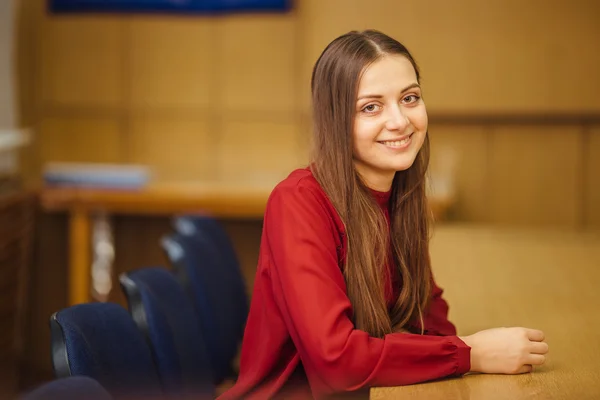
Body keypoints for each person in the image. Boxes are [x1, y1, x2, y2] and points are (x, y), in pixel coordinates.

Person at [218, 29, 549, 400]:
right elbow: (337, 361)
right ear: (334, 119)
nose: (400, 121)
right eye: (370, 107)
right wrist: (471, 352)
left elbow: (429, 320)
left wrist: (461, 350)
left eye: (410, 98)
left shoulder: (400, 192)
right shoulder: (298, 201)